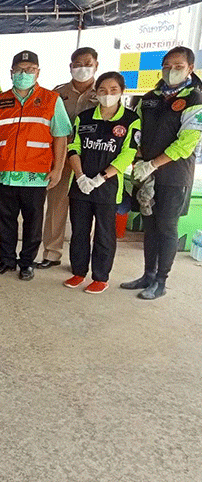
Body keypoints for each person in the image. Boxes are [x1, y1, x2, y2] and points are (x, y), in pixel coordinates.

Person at [0, 51, 72, 280]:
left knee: (33, 223)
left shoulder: (51, 100)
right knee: (5, 222)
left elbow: (61, 136)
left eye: (30, 69)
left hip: (35, 175)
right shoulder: (0, 100)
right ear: (11, 73)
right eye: (20, 70)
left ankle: (27, 263)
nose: (25, 74)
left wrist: (58, 169)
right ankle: (6, 261)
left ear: (38, 72)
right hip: (3, 174)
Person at [122, 46, 202, 299]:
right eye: (167, 66)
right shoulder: (149, 97)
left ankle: (161, 281)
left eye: (178, 66)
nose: (171, 71)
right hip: (146, 174)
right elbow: (136, 131)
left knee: (166, 227)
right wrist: (138, 159)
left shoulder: (195, 99)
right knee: (150, 226)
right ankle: (147, 274)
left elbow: (187, 142)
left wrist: (154, 164)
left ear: (190, 68)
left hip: (174, 176)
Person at [64, 72, 138, 293]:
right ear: (96, 93)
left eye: (113, 90)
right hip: (81, 186)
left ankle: (100, 277)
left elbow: (128, 154)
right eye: (103, 90)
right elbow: (73, 147)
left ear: (122, 92)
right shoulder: (84, 117)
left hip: (108, 188)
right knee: (79, 232)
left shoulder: (131, 120)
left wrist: (101, 178)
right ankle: (78, 272)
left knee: (105, 234)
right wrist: (80, 176)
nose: (108, 94)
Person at [37, 47, 100, 269]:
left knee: (86, 209)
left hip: (90, 159)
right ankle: (51, 254)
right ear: (71, 66)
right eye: (78, 64)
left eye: (88, 64)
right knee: (56, 206)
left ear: (96, 66)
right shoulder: (57, 93)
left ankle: (80, 259)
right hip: (61, 157)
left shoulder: (103, 92)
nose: (83, 69)